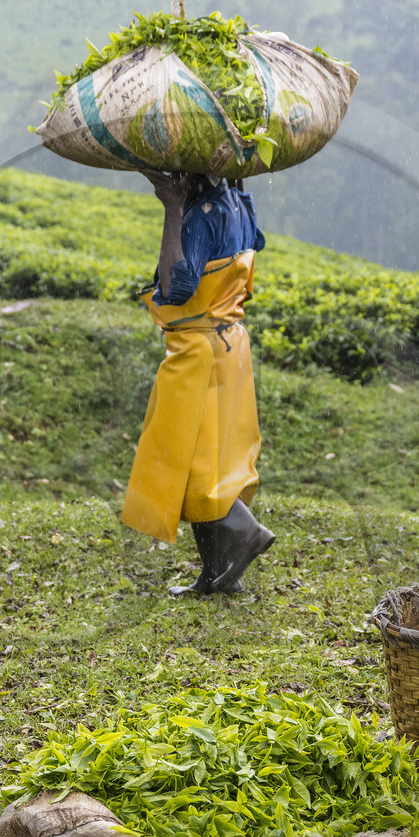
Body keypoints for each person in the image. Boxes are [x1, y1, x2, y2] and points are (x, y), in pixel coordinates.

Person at [120, 169, 274, 596]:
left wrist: (172, 206)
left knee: (187, 467)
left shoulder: (199, 215)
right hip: (231, 347)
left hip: (198, 353)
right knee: (219, 465)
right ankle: (218, 575)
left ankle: (247, 534)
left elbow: (176, 288)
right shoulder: (239, 201)